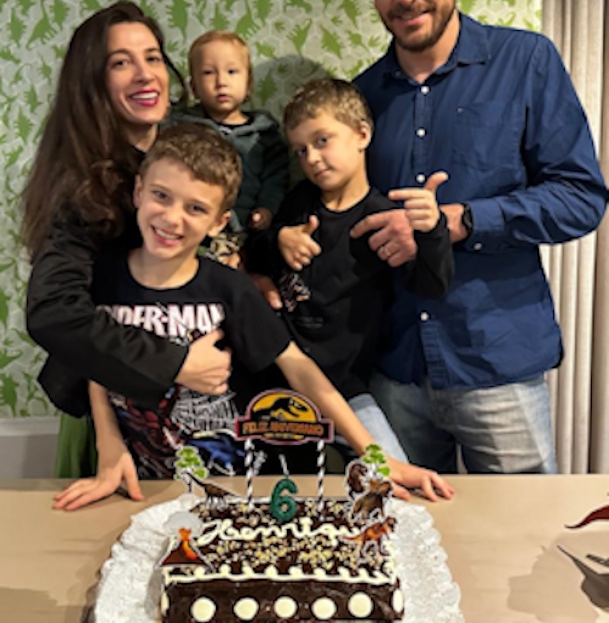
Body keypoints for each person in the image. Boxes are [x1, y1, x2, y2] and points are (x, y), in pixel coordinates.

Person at [53, 124, 454, 510]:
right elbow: (98, 360)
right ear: (139, 191)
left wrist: (374, 456)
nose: (173, 218)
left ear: (219, 222)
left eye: (196, 208)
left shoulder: (228, 288)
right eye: (162, 195)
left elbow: (296, 365)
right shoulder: (102, 277)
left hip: (231, 489)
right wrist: (109, 445)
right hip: (140, 483)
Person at [350, 0, 608, 474]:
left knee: (523, 528)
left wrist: (460, 221)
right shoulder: (360, 97)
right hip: (395, 368)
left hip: (497, 363)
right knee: (404, 526)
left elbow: (581, 197)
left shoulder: (526, 62)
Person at [22, 2, 232, 474]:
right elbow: (54, 312)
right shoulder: (81, 187)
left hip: (187, 412)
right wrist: (173, 361)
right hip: (113, 423)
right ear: (92, 83)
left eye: (153, 57)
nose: (145, 74)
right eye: (121, 62)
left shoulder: (174, 159)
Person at [245, 78, 454, 467]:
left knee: (390, 478)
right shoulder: (298, 202)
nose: (312, 158)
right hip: (275, 381)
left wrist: (433, 230)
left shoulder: (381, 218)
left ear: (362, 134)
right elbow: (252, 258)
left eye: (322, 141)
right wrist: (278, 240)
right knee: (274, 485)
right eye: (301, 150)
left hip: (344, 387)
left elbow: (431, 285)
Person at [171, 30, 289, 238]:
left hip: (247, 229)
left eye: (232, 71)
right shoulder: (184, 128)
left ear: (248, 82)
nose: (221, 82)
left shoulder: (264, 134)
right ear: (194, 87)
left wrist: (267, 208)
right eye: (208, 73)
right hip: (195, 228)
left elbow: (276, 178)